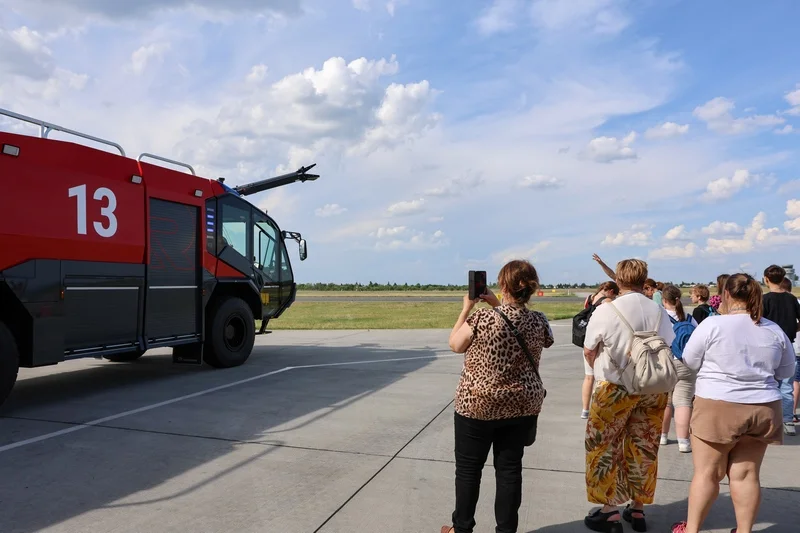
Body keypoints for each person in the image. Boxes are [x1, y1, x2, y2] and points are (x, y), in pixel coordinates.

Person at [670, 274, 796, 533]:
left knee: (708, 474)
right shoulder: (773, 330)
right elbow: (785, 372)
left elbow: (691, 361)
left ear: (726, 294)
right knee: (747, 474)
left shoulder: (712, 326)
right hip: (763, 406)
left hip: (718, 405)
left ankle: (692, 529)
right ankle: (744, 530)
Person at [443, 259, 553, 533]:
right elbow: (542, 337)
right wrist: (499, 305)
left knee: (469, 470)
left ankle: (462, 528)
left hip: (478, 405)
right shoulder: (539, 320)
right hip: (520, 406)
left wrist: (466, 308)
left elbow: (455, 344)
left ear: (503, 285)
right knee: (509, 471)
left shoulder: (482, 318)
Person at [582, 259, 676, 533]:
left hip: (615, 388)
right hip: (651, 388)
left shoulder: (607, 309)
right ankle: (637, 509)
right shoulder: (657, 309)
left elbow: (589, 348)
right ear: (643, 278)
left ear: (618, 279)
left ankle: (608, 509)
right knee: (644, 446)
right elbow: (667, 344)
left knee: (603, 446)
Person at [761, 265, 800, 437]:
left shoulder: (765, 299)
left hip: (768, 346)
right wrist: (793, 328)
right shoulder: (791, 299)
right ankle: (788, 420)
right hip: (788, 345)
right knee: (787, 385)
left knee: (768, 383)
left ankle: (768, 420)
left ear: (766, 279)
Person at [659, 285, 698, 453]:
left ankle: (662, 436)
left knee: (666, 402)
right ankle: (684, 442)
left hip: (666, 363)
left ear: (664, 301)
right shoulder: (689, 318)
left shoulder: (660, 318)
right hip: (686, 363)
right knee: (683, 402)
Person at [581, 281, 620, 419]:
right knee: (600, 377)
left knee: (588, 376)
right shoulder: (607, 301)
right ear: (610, 291)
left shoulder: (590, 298)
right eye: (615, 294)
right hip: (600, 343)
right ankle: (597, 407)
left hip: (588, 339)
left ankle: (585, 409)